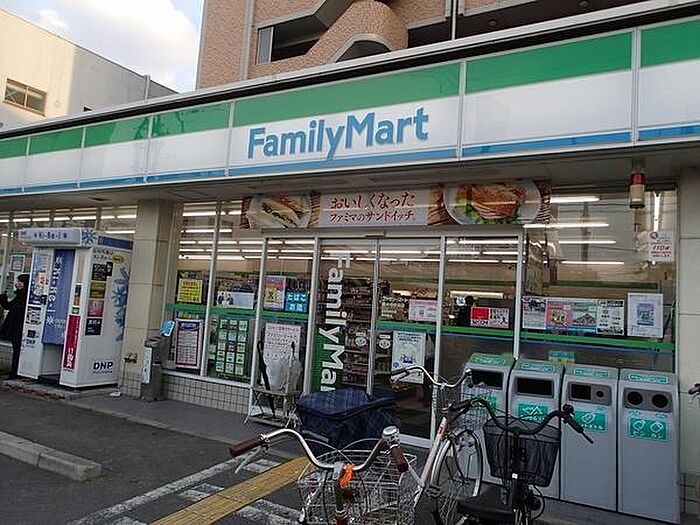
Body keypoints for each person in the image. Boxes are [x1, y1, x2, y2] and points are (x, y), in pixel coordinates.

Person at [0, 274, 30, 379]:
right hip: (13, 325)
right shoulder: (15, 293)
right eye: (17, 282)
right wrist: (4, 296)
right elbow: (6, 304)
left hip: (22, 325)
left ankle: (17, 371)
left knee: (19, 349)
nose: (18, 284)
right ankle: (14, 371)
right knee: (16, 349)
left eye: (21, 282)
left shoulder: (28, 296)